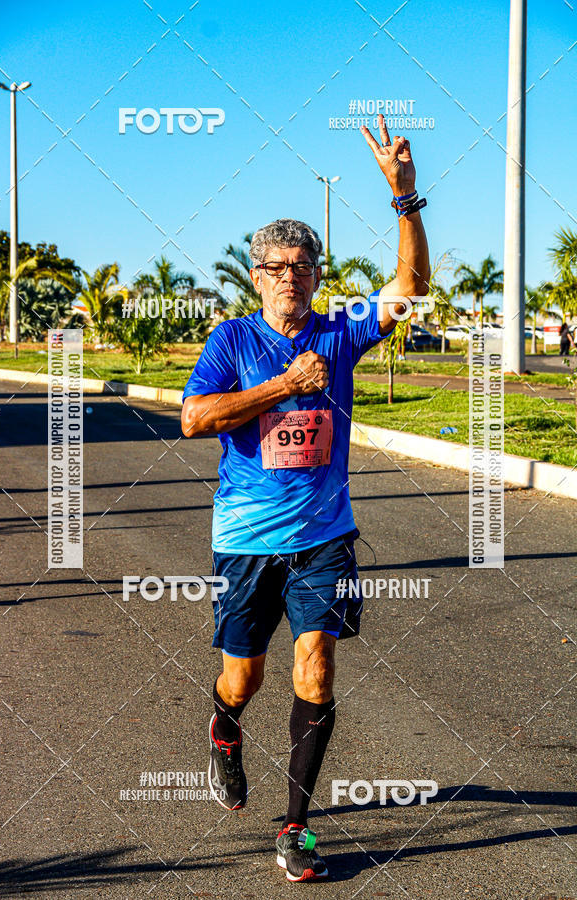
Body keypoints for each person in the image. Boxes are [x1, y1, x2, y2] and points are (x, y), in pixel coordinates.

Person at [181, 114, 430, 883]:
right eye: (276, 265)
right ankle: (224, 728)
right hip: (247, 539)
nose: (291, 275)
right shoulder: (231, 342)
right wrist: (283, 386)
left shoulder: (341, 331)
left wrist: (406, 198)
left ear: (318, 273)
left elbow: (410, 291)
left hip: (325, 535)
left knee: (316, 670)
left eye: (303, 263)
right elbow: (195, 418)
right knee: (244, 679)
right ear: (256, 276)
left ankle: (295, 827)